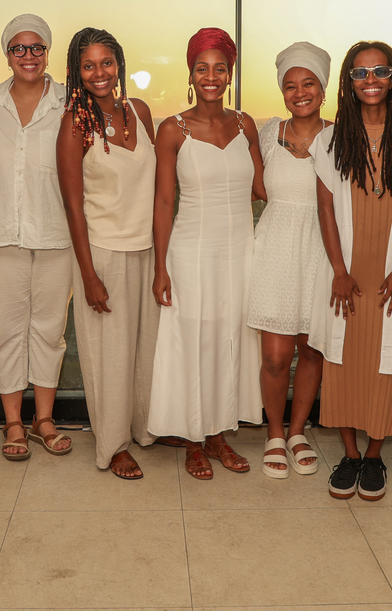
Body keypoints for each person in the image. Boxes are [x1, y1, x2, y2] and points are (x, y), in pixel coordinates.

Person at [311, 41, 392, 501]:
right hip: (347, 274)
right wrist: (339, 271)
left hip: (390, 274)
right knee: (342, 362)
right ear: (349, 83)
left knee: (385, 363)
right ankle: (350, 454)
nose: (371, 80)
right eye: (360, 73)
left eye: (380, 71)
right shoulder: (330, 141)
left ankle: (375, 456)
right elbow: (325, 209)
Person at [149, 27, 265, 480]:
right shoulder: (172, 129)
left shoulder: (246, 124)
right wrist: (160, 268)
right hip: (191, 251)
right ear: (191, 74)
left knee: (230, 338)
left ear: (230, 74)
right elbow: (164, 202)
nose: (211, 77)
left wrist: (312, 145)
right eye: (202, 68)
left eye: (220, 69)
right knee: (193, 340)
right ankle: (193, 441)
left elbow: (262, 187)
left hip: (239, 250)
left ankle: (218, 435)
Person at [56, 27, 159, 479]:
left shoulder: (140, 111)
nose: (99, 73)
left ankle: (145, 430)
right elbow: (72, 205)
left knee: (145, 350)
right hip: (103, 253)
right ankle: (113, 445)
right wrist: (89, 275)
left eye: (106, 62)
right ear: (76, 72)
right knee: (109, 357)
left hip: (146, 249)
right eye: (88, 65)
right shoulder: (74, 124)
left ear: (119, 64)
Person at [0, 14, 73, 461]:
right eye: (19, 48)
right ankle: (13, 421)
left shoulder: (70, 102)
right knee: (7, 332)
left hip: (56, 234)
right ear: (7, 54)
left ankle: (43, 420)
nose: (28, 55)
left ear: (48, 53)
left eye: (37, 47)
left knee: (50, 331)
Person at [248, 42, 329, 479]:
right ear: (282, 92)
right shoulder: (268, 133)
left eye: (308, 83)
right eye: (291, 86)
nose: (300, 93)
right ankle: (275, 432)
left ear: (323, 88)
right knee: (276, 356)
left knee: (312, 349)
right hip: (276, 246)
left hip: (323, 247)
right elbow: (253, 186)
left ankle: (298, 431)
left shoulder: (341, 135)